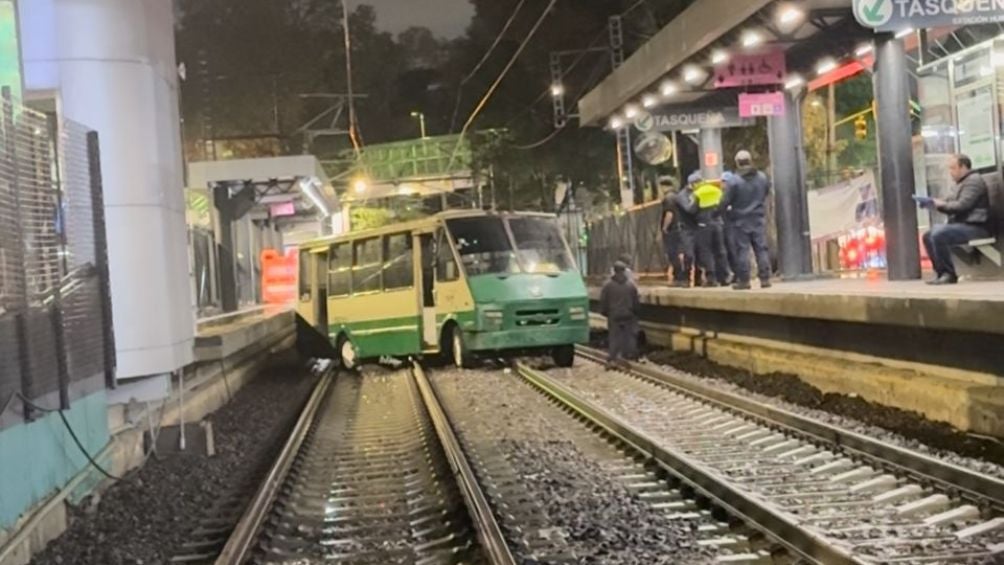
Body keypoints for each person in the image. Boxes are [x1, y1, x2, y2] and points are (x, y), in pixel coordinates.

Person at [922, 154, 992, 285]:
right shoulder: (959, 184)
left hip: (976, 227)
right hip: (963, 225)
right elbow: (949, 202)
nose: (950, 172)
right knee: (928, 235)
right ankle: (941, 272)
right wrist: (935, 203)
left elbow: (963, 205)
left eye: (953, 168)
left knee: (939, 233)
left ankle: (949, 274)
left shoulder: (974, 181)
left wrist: (941, 205)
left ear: (963, 167)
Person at [722, 150, 772, 290]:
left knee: (742, 250)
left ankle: (744, 280)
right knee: (761, 249)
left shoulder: (733, 181)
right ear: (750, 161)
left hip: (740, 220)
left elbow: (725, 201)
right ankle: (765, 279)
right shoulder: (762, 177)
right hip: (758, 218)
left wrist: (723, 213)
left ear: (737, 163)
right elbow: (766, 191)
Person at [680, 172, 729, 287]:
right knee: (720, 251)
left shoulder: (697, 193)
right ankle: (724, 277)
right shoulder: (715, 190)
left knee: (706, 252)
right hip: (718, 223)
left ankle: (711, 278)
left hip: (704, 225)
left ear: (694, 183)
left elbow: (691, 210)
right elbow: (723, 205)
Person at [599, 261, 640, 367]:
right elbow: (636, 301)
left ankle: (613, 357)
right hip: (628, 314)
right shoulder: (631, 285)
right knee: (629, 335)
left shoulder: (607, 286)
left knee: (614, 336)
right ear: (624, 271)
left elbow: (603, 302)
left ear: (614, 270)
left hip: (614, 315)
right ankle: (630, 354)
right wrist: (635, 312)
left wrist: (605, 313)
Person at [660, 179, 690, 287]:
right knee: (681, 252)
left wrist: (665, 227)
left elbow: (669, 213)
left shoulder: (668, 198)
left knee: (673, 254)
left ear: (664, 186)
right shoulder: (678, 196)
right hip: (681, 227)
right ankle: (684, 276)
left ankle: (678, 278)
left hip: (672, 229)